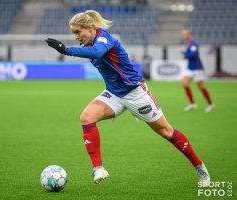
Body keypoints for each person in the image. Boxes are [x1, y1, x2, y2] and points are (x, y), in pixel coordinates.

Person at [46, 10, 210, 185]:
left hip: (135, 93)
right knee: (87, 117)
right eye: (74, 34)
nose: (77, 37)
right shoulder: (88, 45)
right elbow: (92, 52)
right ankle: (98, 169)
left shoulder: (104, 38)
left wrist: (67, 50)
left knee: (166, 132)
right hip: (114, 94)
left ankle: (200, 167)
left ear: (91, 28)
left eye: (78, 32)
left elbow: (98, 52)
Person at [178, 29, 214, 112]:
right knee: (184, 84)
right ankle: (192, 104)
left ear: (189, 34)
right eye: (183, 34)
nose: (184, 36)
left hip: (197, 68)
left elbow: (193, 55)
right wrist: (185, 56)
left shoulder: (194, 44)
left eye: (185, 34)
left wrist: (183, 52)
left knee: (200, 87)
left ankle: (210, 104)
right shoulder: (189, 45)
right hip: (190, 68)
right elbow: (189, 55)